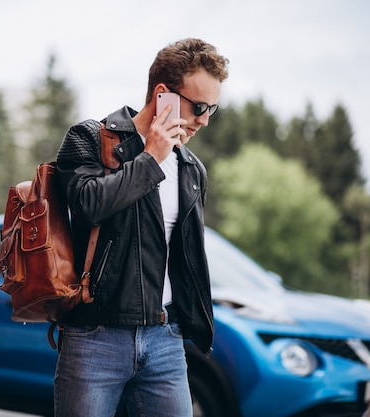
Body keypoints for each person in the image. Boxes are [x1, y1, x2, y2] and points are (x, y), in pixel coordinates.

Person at [54, 38, 229, 417]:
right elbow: (87, 206)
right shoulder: (90, 139)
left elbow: (186, 258)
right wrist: (150, 158)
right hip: (95, 338)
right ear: (163, 94)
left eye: (212, 108)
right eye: (198, 107)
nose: (204, 120)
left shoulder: (191, 169)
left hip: (165, 342)